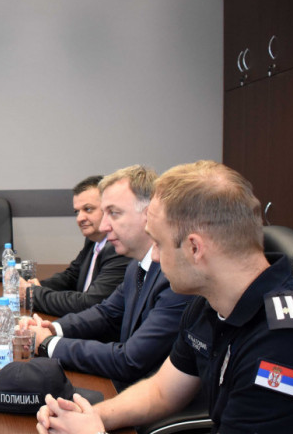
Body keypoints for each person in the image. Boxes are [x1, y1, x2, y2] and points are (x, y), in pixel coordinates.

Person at [36, 161, 293, 434]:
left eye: (159, 243)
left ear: (195, 248)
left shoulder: (286, 342)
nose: (154, 258)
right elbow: (161, 392)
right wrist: (86, 417)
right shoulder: (208, 303)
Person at [29, 165, 191, 389]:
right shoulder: (135, 266)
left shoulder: (176, 279)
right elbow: (106, 313)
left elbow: (131, 360)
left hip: (144, 395)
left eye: (114, 213)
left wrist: (49, 344)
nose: (104, 226)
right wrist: (53, 329)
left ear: (149, 215)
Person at [19, 175, 130, 316]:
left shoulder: (119, 249)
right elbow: (72, 276)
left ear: (108, 209)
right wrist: (36, 286)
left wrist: (32, 294)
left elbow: (90, 304)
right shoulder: (93, 240)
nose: (80, 218)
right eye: (77, 212)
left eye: (88, 209)